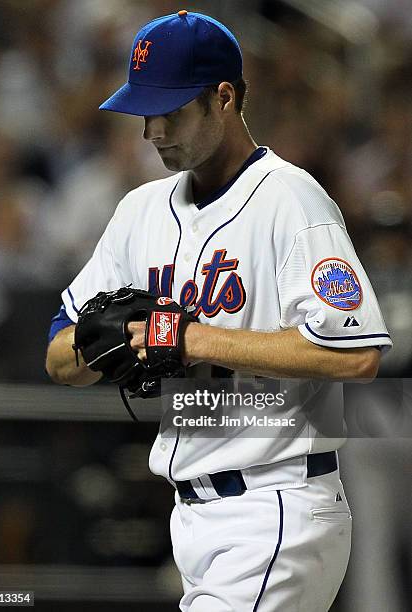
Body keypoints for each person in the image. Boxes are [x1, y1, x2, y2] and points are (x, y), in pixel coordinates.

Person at [46, 10, 392, 611]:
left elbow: (357, 354)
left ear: (223, 98)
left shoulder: (292, 202)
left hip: (276, 507)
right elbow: (57, 354)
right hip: (193, 520)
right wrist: (101, 350)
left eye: (170, 110)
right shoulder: (140, 211)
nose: (152, 130)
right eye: (144, 113)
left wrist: (191, 340)